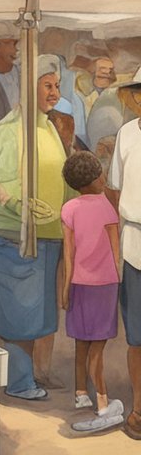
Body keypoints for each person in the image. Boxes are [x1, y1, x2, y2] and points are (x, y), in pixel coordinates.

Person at [0, 55, 69, 400]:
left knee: (38, 312)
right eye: (47, 86)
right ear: (30, 89)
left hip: (46, 235)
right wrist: (13, 203)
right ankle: (18, 382)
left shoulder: (49, 127)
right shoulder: (11, 130)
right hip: (14, 237)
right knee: (18, 312)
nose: (54, 92)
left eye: (56, 86)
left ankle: (34, 374)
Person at [59, 151, 125, 432]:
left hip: (78, 283)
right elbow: (116, 250)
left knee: (81, 342)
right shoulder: (108, 208)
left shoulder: (69, 209)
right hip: (105, 285)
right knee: (98, 347)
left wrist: (65, 289)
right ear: (99, 177)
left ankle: (79, 393)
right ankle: (102, 404)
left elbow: (69, 254)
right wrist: (120, 280)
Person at [105, 80, 141, 439]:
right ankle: (139, 410)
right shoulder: (127, 133)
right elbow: (114, 188)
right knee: (137, 337)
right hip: (135, 245)